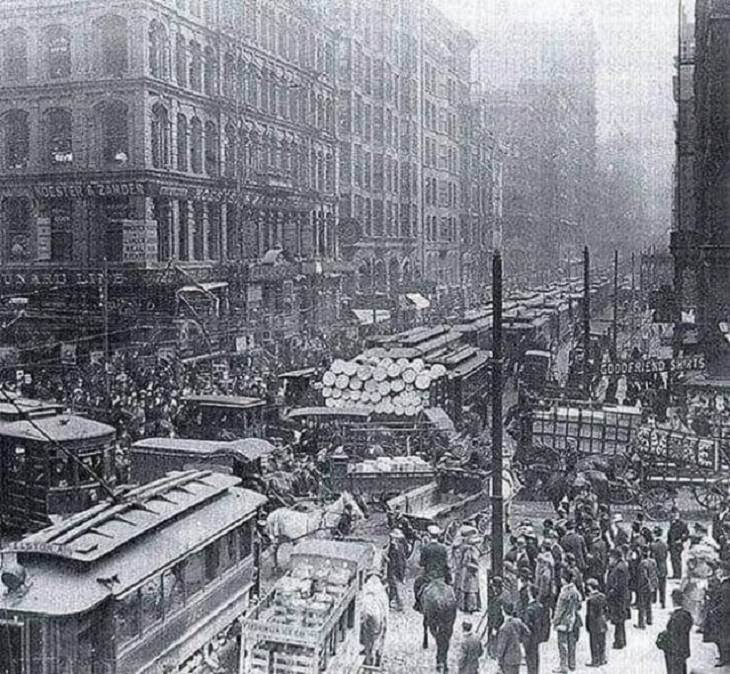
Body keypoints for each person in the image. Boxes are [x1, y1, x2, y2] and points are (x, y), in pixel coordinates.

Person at [553, 566, 582, 673]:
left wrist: (555, 621)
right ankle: (572, 664)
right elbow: (579, 604)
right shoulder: (575, 591)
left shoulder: (564, 593)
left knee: (562, 644)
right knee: (572, 644)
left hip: (563, 621)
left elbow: (559, 610)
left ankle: (563, 666)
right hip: (573, 620)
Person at [661, 589, 693, 674]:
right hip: (683, 650)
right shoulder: (686, 614)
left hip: (674, 652)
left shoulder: (676, 617)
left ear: (673, 601)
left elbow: (673, 634)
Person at [706, 560, 730, 666]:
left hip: (723, 617)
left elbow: (725, 605)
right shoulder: (724, 583)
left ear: (725, 571)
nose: (719, 570)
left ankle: (724, 658)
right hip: (722, 616)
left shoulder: (726, 586)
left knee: (722, 637)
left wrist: (713, 611)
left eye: (721, 569)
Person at [496, 601, 530, 674]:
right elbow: (528, 632)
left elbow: (501, 647)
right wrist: (520, 640)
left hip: (507, 659)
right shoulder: (518, 621)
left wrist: (499, 660)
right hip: (517, 656)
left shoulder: (504, 628)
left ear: (503, 611)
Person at [606, 547, 630, 650]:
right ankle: (621, 640)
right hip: (621, 597)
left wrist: (611, 592)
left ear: (614, 557)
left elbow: (619, 585)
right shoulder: (620, 566)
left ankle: (619, 641)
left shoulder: (619, 568)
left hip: (618, 598)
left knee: (619, 619)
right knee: (620, 620)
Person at [523, 583, 549, 674]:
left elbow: (527, 625)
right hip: (537, 636)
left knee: (530, 658)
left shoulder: (529, 609)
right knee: (535, 656)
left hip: (530, 637)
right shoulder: (540, 606)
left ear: (530, 594)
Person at [585, 578, 608, 667]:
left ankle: (595, 660)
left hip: (594, 624)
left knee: (594, 643)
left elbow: (590, 614)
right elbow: (606, 609)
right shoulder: (602, 596)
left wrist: (588, 625)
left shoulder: (591, 600)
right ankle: (602, 658)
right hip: (602, 622)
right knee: (602, 642)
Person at [636, 545, 659, 629]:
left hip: (644, 586)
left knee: (641, 604)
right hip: (652, 585)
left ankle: (641, 623)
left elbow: (644, 576)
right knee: (648, 603)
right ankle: (649, 619)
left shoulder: (642, 563)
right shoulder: (653, 561)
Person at [458, 534, 482, 613]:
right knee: (470, 589)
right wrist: (474, 566)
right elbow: (466, 562)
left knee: (471, 589)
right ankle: (470, 607)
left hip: (470, 571)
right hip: (470, 572)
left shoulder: (473, 550)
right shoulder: (470, 551)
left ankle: (469, 606)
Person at [386, 529, 407, 611]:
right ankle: (393, 602)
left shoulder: (397, 547)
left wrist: (401, 574)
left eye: (394, 538)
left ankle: (399, 604)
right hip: (393, 569)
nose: (392, 539)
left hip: (394, 569)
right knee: (393, 587)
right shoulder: (397, 546)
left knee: (394, 586)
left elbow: (400, 561)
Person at [668, 507, 690, 579]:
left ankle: (678, 574)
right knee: (673, 559)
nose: (673, 515)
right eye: (673, 513)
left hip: (678, 545)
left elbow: (686, 534)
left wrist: (681, 540)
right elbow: (670, 534)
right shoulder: (672, 522)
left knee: (677, 559)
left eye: (675, 513)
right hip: (671, 544)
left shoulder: (682, 523)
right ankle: (675, 574)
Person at [652, 525, 670, 609]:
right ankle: (663, 602)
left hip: (656, 566)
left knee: (654, 583)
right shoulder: (665, 544)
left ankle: (654, 599)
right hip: (663, 566)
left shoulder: (653, 545)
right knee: (663, 586)